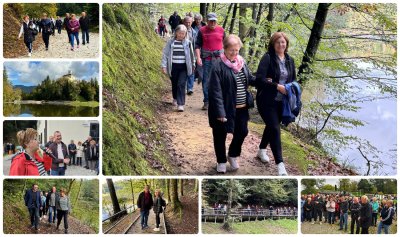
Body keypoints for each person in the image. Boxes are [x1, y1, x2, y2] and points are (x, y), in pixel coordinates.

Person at [208, 35, 255, 173]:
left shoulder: (242, 62)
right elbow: (215, 91)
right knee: (220, 134)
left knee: (242, 132)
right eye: (231, 50)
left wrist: (264, 80)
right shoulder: (218, 66)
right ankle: (221, 161)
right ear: (225, 49)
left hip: (241, 107)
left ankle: (232, 155)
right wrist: (220, 113)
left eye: (237, 50)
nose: (234, 53)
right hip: (224, 108)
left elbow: (250, 78)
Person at [255, 32, 296, 176]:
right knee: (274, 127)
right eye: (278, 42)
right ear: (273, 44)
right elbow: (259, 79)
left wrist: (291, 89)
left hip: (282, 102)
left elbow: (294, 80)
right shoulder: (268, 58)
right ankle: (280, 164)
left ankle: (261, 150)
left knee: (271, 126)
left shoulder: (290, 60)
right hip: (266, 100)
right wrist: (276, 85)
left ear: (286, 44)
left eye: (283, 42)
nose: (281, 45)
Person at [161, 24, 195, 112]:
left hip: (184, 67)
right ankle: (175, 98)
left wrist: (193, 65)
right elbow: (165, 54)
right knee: (175, 83)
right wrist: (164, 66)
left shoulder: (188, 43)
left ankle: (180, 104)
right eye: (179, 33)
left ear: (185, 34)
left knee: (181, 84)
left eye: (183, 33)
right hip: (173, 67)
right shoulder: (171, 42)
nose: (181, 35)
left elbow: (192, 55)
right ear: (176, 33)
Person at [195, 12, 225, 110]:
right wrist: (198, 58)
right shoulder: (202, 30)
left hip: (219, 60)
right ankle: (207, 101)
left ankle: (217, 102)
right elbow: (197, 45)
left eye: (214, 21)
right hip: (206, 59)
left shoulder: (221, 30)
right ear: (207, 21)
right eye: (210, 21)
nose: (212, 23)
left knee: (220, 81)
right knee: (206, 80)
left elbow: (227, 44)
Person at [183, 16, 196, 95]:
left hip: (191, 54)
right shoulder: (180, 30)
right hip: (182, 54)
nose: (188, 24)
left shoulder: (194, 32)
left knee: (192, 70)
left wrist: (196, 55)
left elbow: (196, 44)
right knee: (183, 70)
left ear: (191, 22)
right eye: (186, 22)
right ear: (184, 22)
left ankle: (190, 88)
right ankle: (183, 87)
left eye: (189, 22)